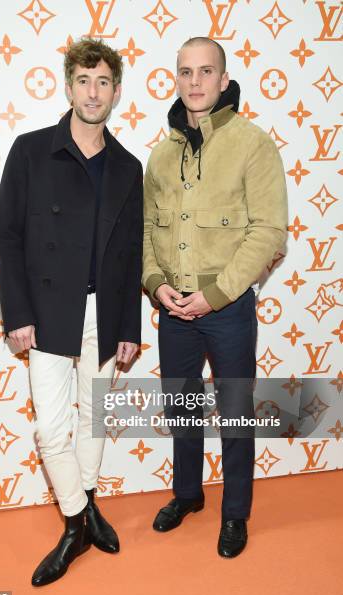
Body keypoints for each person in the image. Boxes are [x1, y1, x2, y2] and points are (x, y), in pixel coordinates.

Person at [0, 37, 143, 586]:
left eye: (103, 81)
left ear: (116, 92)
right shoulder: (31, 150)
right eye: (83, 80)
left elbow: (130, 253)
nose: (93, 91)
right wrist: (17, 314)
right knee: (52, 428)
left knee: (94, 419)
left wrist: (129, 325)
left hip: (103, 315)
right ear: (68, 86)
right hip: (48, 311)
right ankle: (77, 522)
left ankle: (83, 514)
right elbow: (9, 238)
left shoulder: (129, 166)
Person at [142, 37, 288, 558]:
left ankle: (235, 513)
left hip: (226, 310)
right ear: (176, 80)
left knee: (234, 411)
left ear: (225, 81)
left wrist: (217, 294)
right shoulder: (160, 154)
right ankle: (187, 496)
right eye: (186, 72)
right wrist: (155, 284)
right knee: (181, 409)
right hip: (172, 310)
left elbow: (269, 230)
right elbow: (146, 233)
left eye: (206, 72)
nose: (196, 81)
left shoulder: (253, 144)